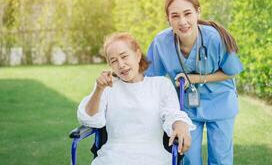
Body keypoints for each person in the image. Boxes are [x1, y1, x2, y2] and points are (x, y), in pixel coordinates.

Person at [146, 0, 244, 165]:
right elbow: (149, 77)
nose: (182, 21)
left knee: (221, 159)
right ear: (168, 19)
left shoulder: (215, 38)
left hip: (221, 101)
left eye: (187, 13)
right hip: (186, 105)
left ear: (198, 12)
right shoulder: (161, 42)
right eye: (175, 16)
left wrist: (196, 79)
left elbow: (232, 71)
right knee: (189, 158)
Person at [77, 32, 195, 165]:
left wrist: (181, 126)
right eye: (114, 61)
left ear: (138, 55)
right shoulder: (107, 87)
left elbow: (173, 114)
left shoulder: (161, 84)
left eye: (124, 56)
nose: (121, 64)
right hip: (113, 156)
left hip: (153, 156)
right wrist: (98, 90)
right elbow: (90, 119)